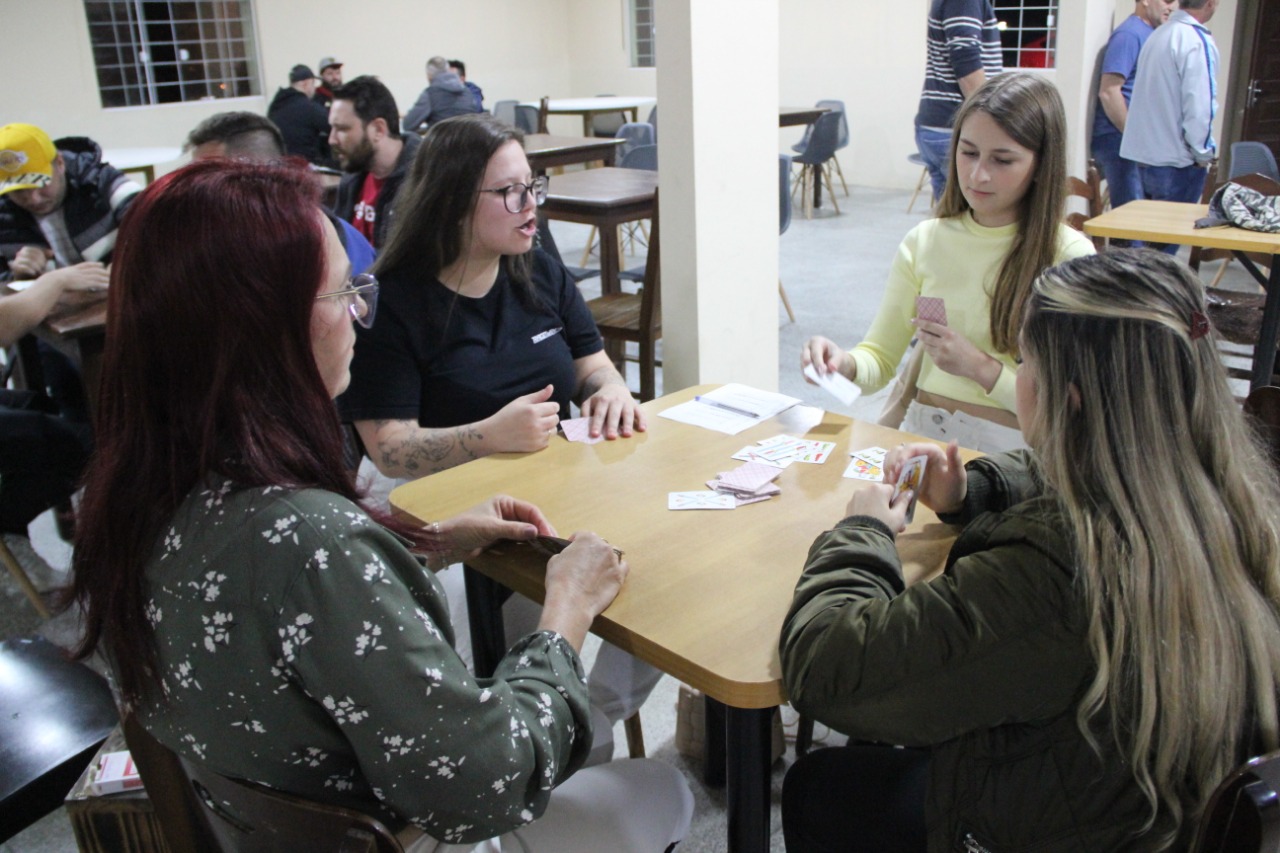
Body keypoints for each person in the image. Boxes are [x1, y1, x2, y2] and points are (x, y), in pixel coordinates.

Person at [67, 158, 693, 852]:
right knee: (663, 787)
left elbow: (289, 615)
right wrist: (567, 608)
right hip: (412, 834)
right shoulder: (314, 541)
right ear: (261, 328)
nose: (361, 318)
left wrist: (423, 543)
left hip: (267, 824)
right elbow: (486, 784)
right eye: (343, 294)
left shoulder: (143, 488)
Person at [779, 249, 1280, 851]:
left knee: (820, 784)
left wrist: (862, 534)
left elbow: (827, 671)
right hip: (1146, 800)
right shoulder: (1228, 493)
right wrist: (974, 487)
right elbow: (1072, 473)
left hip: (1051, 823)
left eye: (1023, 361)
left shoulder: (1056, 571)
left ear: (1066, 400)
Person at [337, 113, 653, 762]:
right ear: (453, 201)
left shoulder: (535, 267)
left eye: (532, 185)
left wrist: (611, 390)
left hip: (558, 480)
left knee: (662, 563)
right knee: (519, 625)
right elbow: (388, 446)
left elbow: (589, 361)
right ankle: (549, 725)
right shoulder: (393, 301)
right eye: (511, 192)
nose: (532, 205)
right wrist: (486, 435)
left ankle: (588, 713)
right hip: (452, 507)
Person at [803, 73, 1095, 453]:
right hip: (925, 437)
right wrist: (840, 364)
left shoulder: (1069, 257)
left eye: (1002, 160)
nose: (978, 175)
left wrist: (980, 368)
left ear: (1041, 165)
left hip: (1016, 455)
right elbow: (878, 359)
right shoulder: (926, 241)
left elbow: (1070, 408)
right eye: (968, 152)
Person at [0, 122, 137, 421]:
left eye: (40, 184)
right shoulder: (5, 214)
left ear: (59, 164)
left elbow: (154, 226)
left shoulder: (101, 181)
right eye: (20, 191)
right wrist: (18, 274)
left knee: (124, 387)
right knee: (68, 390)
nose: (34, 199)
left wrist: (125, 265)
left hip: (123, 312)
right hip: (56, 326)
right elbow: (5, 292)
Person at [184, 110, 375, 276]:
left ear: (258, 173)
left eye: (208, 177)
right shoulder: (232, 243)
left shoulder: (328, 249)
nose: (196, 190)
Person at [1121, 0, 1221, 253]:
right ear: (1211, 3)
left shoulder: (1159, 34)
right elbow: (1199, 105)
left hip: (1144, 158)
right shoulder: (1196, 40)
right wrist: (1203, 153)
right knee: (1163, 254)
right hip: (1176, 162)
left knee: (1144, 249)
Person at [1091, 0, 1176, 217]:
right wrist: (1134, 139)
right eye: (1166, 0)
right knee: (1130, 220)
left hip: (1135, 142)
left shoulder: (1150, 34)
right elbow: (1109, 92)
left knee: (1143, 218)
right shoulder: (1129, 34)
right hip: (1118, 140)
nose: (1171, 6)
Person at [913, 0, 1003, 204]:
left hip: (941, 124)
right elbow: (965, 57)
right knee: (970, 218)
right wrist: (992, 119)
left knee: (951, 219)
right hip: (954, 126)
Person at [329, 75, 420, 249]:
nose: (332, 139)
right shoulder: (351, 180)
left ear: (378, 129)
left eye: (342, 129)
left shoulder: (423, 182)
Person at [267, 64, 334, 167]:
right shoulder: (310, 108)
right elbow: (333, 126)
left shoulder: (275, 106)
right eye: (313, 84)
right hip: (305, 166)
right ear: (305, 84)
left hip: (280, 167)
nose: (314, 89)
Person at [402, 56, 483, 133]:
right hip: (469, 143)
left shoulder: (430, 94)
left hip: (441, 145)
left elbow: (408, 125)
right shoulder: (467, 91)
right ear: (447, 70)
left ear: (429, 75)